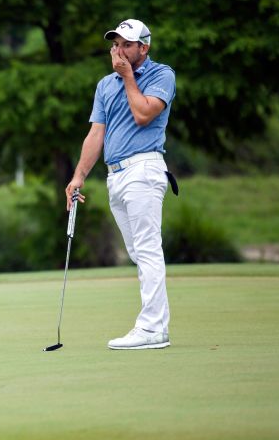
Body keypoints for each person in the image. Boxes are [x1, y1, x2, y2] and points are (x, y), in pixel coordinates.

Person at [65, 18, 177, 350]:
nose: (119, 50)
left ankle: (152, 328)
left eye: (127, 44)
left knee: (147, 249)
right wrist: (78, 176)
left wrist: (128, 76)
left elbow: (144, 114)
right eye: (116, 44)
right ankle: (156, 326)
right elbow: (96, 133)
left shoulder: (162, 76)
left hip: (144, 169)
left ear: (145, 47)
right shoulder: (105, 85)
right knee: (139, 252)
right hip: (116, 175)